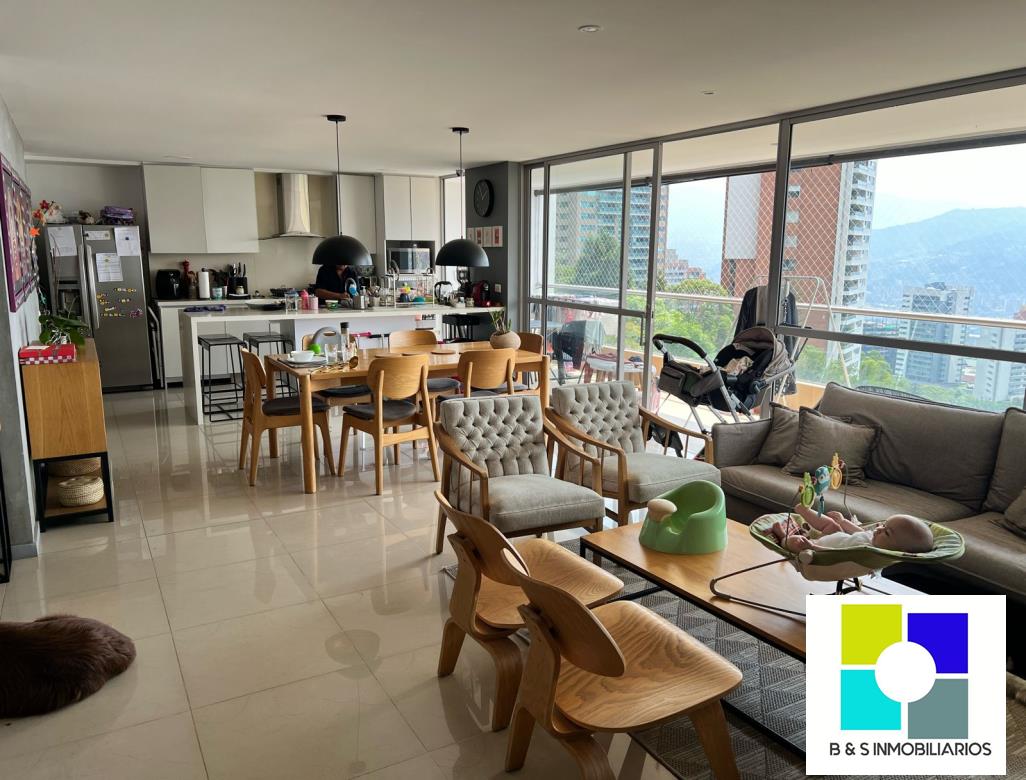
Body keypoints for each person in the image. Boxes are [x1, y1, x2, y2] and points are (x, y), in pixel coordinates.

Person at [770, 503, 934, 554]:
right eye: (883, 525)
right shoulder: (875, 539)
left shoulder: (868, 553)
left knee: (797, 543)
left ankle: (783, 537)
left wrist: (813, 547)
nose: (879, 529)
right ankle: (804, 510)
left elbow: (837, 555)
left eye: (887, 532)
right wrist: (843, 521)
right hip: (837, 537)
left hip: (821, 549)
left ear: (898, 550)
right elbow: (858, 532)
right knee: (832, 524)